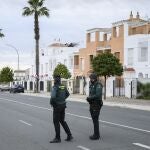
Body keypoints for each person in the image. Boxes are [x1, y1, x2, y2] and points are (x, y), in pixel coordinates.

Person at [49, 74, 73, 143]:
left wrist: (52, 103)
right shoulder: (63, 86)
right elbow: (67, 94)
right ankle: (69, 135)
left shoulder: (55, 87)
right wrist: (62, 100)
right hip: (63, 105)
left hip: (57, 107)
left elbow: (53, 97)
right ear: (60, 79)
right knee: (62, 121)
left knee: (56, 122)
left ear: (55, 80)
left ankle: (57, 138)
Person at [86, 73, 103, 140]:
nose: (90, 79)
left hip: (96, 104)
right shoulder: (92, 85)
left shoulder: (98, 85)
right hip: (92, 104)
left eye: (91, 78)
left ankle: (96, 135)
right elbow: (92, 93)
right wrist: (89, 98)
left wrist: (90, 98)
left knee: (95, 120)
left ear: (95, 78)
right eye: (90, 78)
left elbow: (98, 95)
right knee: (94, 120)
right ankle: (96, 133)